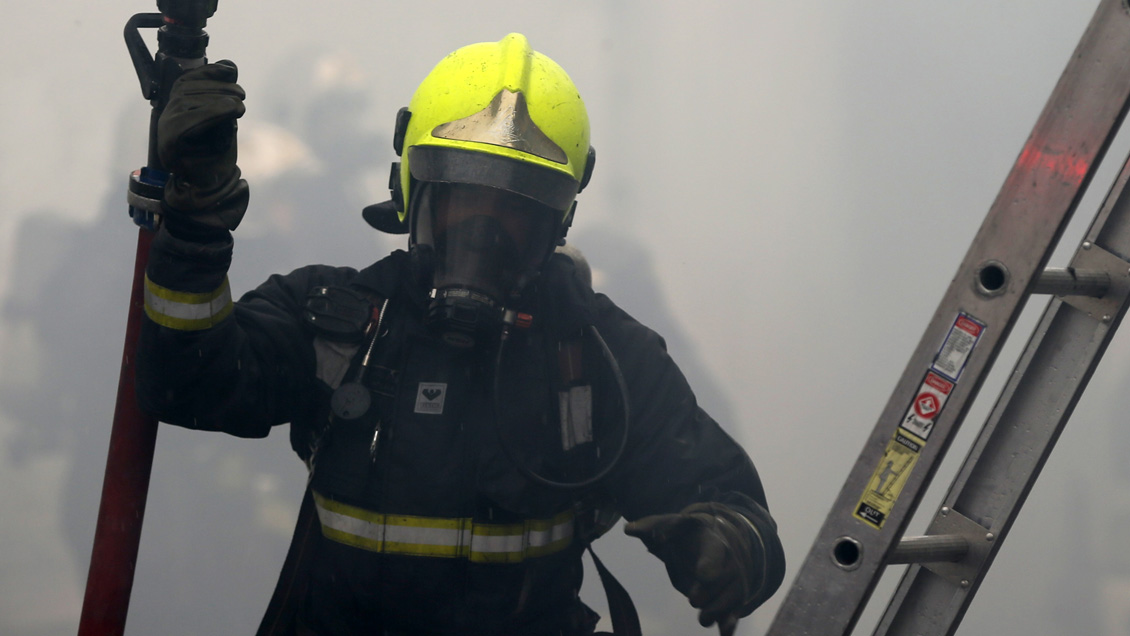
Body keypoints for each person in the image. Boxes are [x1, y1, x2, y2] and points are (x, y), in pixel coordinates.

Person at [137, 33, 785, 636]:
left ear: (556, 223)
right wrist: (196, 222)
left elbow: (730, 504)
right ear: (412, 191)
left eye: (514, 209)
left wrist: (723, 544)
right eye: (463, 199)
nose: (483, 234)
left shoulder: (598, 358)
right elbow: (186, 380)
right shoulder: (338, 321)